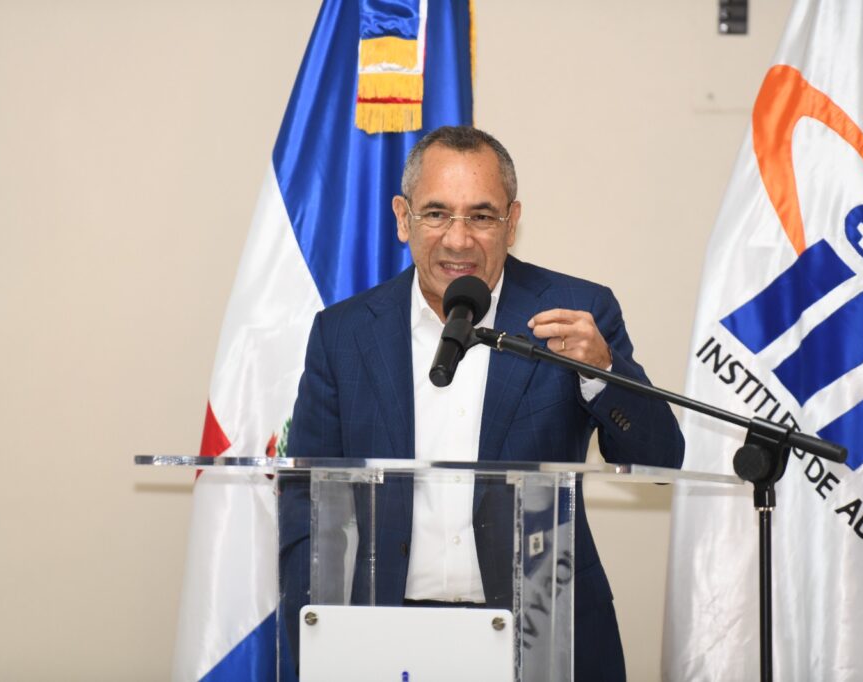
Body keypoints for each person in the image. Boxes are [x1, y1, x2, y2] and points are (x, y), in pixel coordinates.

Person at [280, 126, 684, 681]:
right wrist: (315, 634)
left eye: (481, 216)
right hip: (386, 637)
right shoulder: (343, 333)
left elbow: (661, 462)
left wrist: (605, 371)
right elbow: (305, 499)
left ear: (512, 223)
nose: (458, 240)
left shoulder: (575, 312)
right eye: (436, 213)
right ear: (403, 218)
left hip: (543, 633)